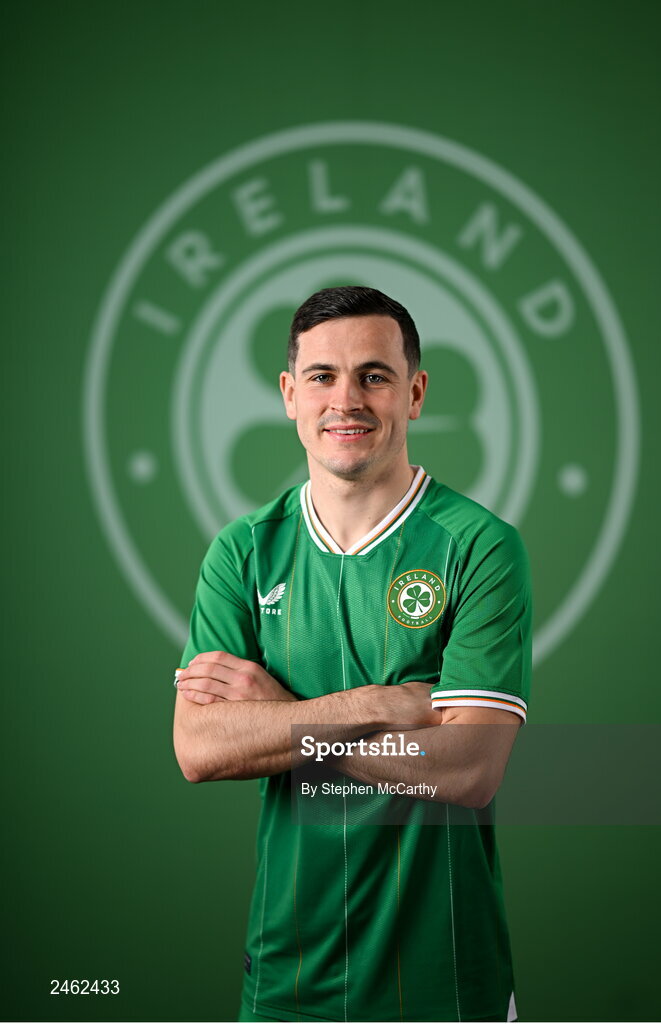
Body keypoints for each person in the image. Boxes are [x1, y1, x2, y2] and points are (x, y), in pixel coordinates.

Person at [173, 286, 532, 1023]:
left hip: (447, 980)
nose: (347, 399)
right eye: (322, 377)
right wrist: (382, 705)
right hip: (286, 978)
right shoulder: (242, 552)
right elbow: (200, 748)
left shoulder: (480, 546)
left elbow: (470, 767)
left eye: (374, 375)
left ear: (416, 392)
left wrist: (280, 720)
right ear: (288, 395)